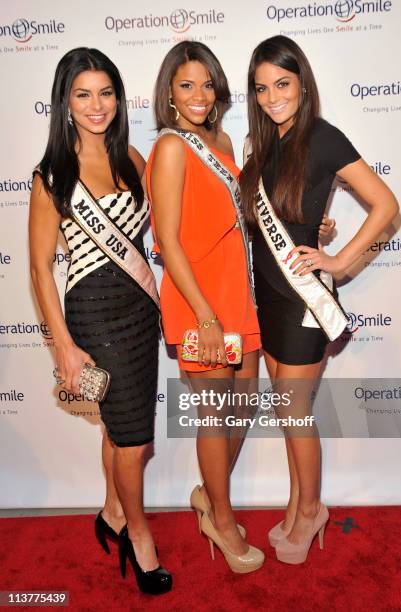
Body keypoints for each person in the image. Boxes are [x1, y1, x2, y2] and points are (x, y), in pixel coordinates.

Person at [240, 35, 399, 564]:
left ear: (302, 83)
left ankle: (311, 512)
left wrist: (338, 259)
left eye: (281, 84)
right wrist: (318, 224)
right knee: (290, 416)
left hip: (305, 299)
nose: (271, 97)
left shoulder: (324, 137)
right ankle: (296, 504)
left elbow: (385, 204)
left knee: (293, 411)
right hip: (268, 296)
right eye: (261, 88)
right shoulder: (262, 144)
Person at [29, 47, 172, 595]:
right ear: (65, 101)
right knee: (135, 439)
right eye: (83, 94)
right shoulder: (53, 175)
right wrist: (62, 345)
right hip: (93, 315)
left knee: (120, 428)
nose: (97, 105)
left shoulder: (131, 157)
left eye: (106, 93)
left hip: (138, 311)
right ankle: (139, 536)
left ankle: (112, 510)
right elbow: (42, 270)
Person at [146, 41, 265, 574]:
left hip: (239, 295)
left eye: (206, 83)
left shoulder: (219, 140)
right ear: (169, 94)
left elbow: (233, 222)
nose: (198, 94)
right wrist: (206, 317)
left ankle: (207, 496)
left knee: (242, 409)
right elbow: (168, 242)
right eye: (186, 85)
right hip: (200, 303)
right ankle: (220, 515)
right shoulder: (172, 147)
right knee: (215, 417)